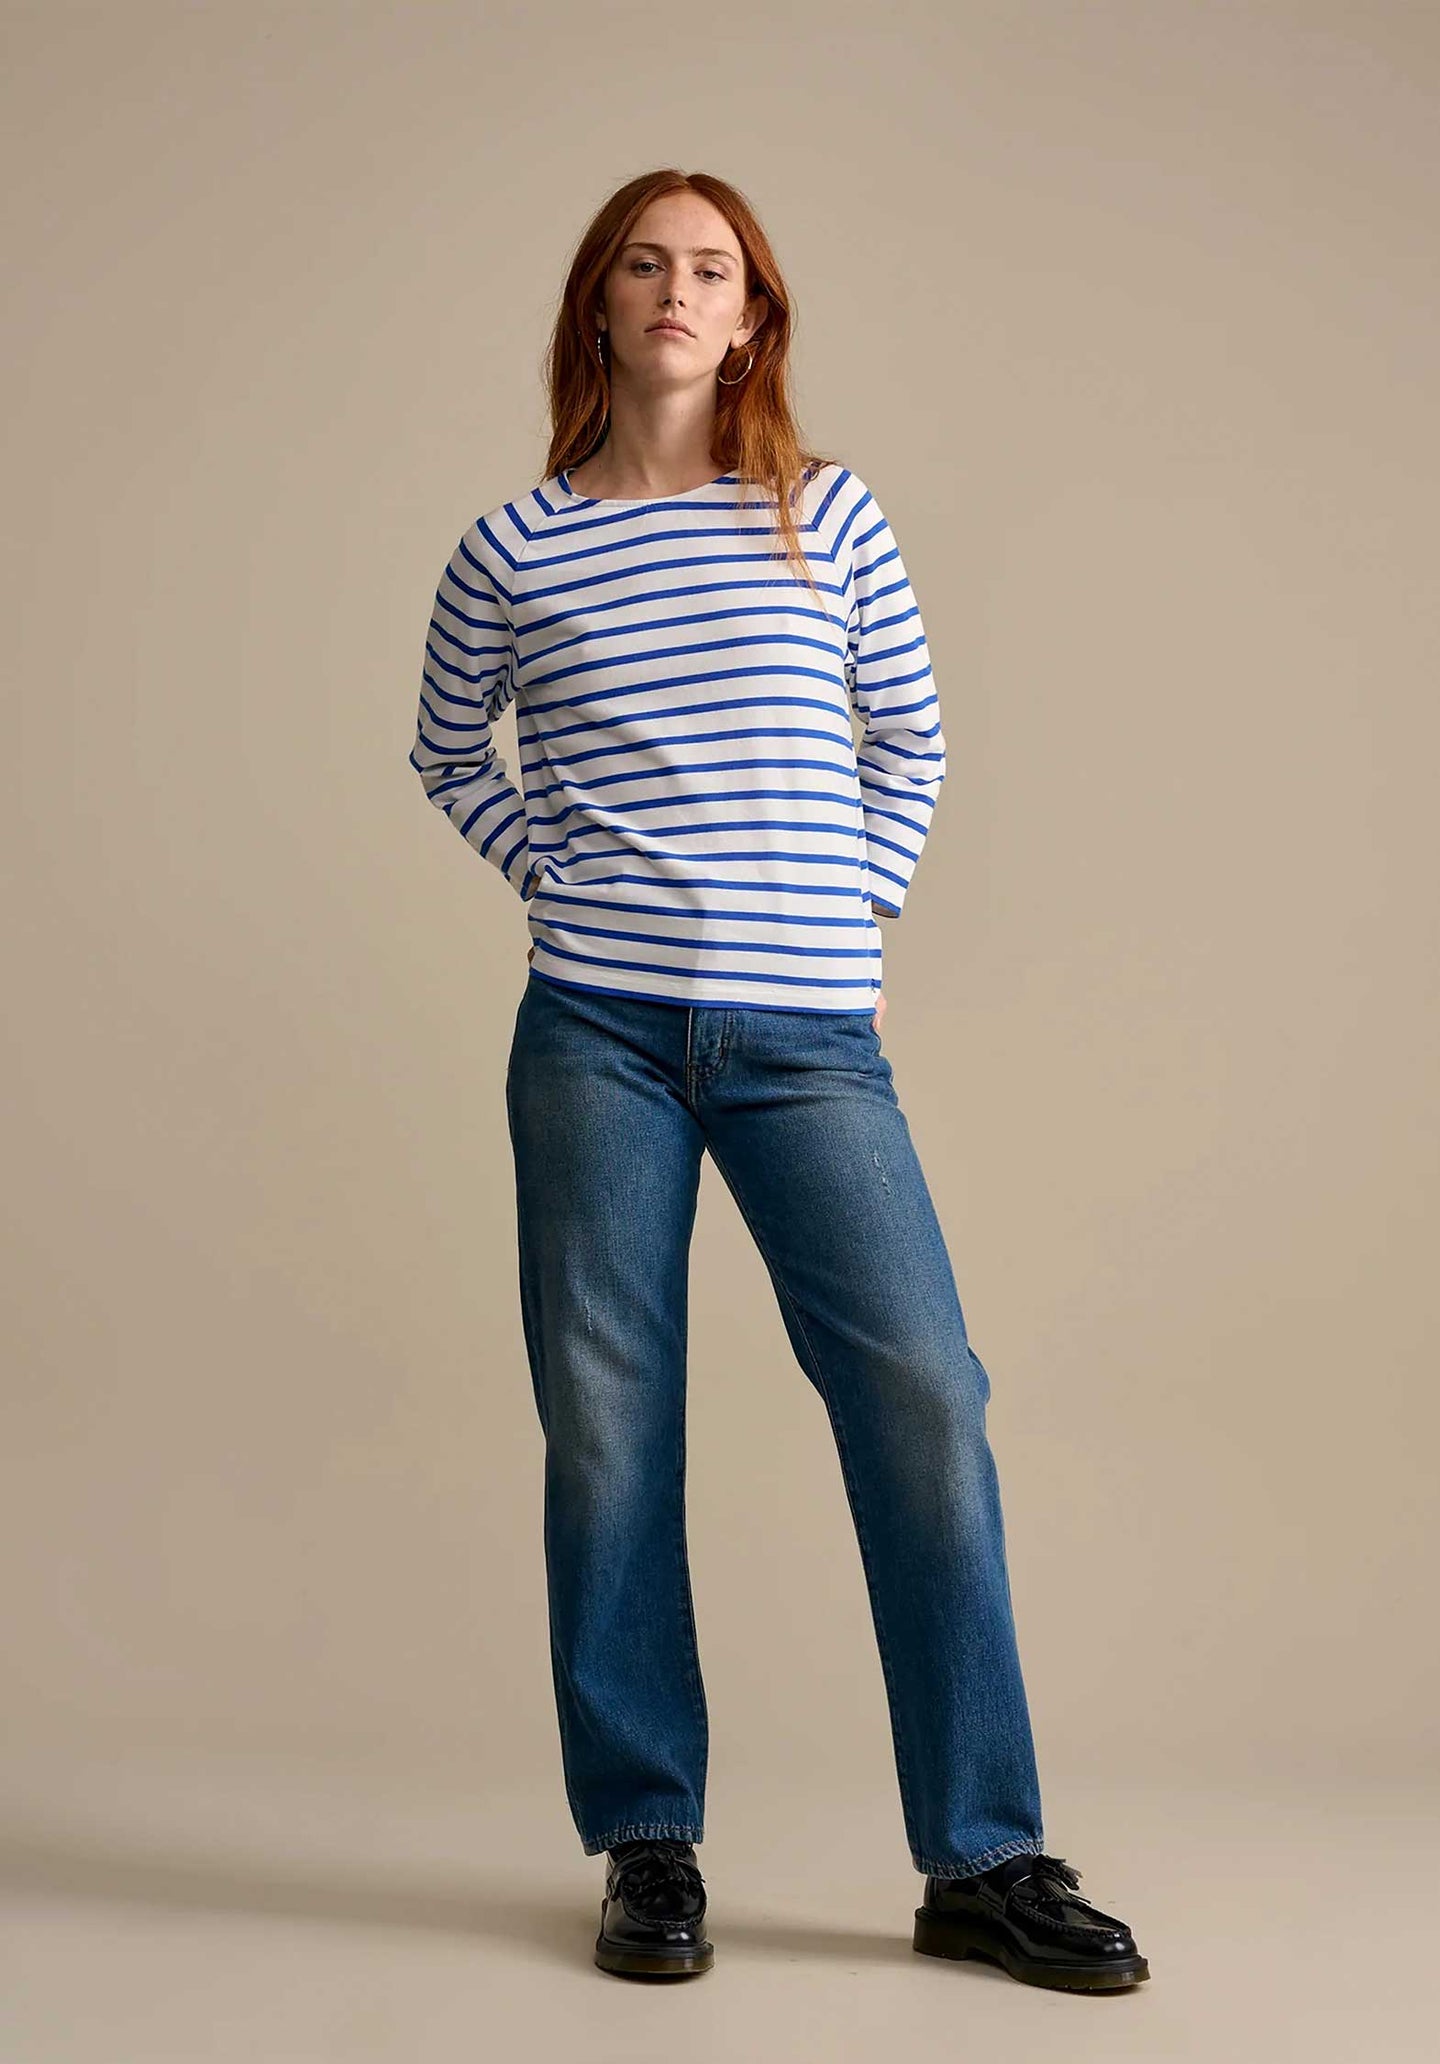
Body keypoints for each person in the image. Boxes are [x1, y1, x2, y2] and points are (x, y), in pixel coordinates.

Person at [409, 167, 1149, 1993]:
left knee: (923, 1397)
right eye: (644, 264)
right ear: (599, 304)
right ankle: (648, 1843)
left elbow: (912, 744)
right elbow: (446, 749)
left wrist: (840, 913)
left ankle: (985, 1858)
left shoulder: (827, 518)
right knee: (609, 1424)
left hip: (810, 1042)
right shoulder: (514, 547)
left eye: (712, 269)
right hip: (595, 1036)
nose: (677, 289)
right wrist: (554, 875)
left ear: (752, 318)